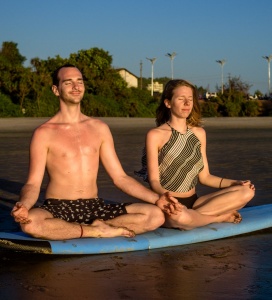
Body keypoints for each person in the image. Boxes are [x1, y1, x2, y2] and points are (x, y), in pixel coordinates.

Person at [11, 64, 180, 240]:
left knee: (155, 215)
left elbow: (120, 178)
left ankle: (91, 227)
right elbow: (33, 184)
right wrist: (24, 205)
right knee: (30, 223)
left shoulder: (99, 128)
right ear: (56, 90)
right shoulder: (43, 133)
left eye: (79, 81)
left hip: (95, 206)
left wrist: (157, 199)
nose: (76, 87)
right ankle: (95, 230)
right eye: (68, 82)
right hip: (58, 206)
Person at [135, 79, 255, 230]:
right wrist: (167, 198)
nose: (187, 103)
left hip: (196, 203)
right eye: (181, 99)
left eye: (190, 99)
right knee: (181, 217)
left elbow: (205, 177)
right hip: (170, 205)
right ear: (168, 103)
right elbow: (154, 180)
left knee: (247, 192)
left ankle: (196, 217)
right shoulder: (155, 135)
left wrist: (235, 183)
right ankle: (218, 217)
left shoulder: (199, 133)